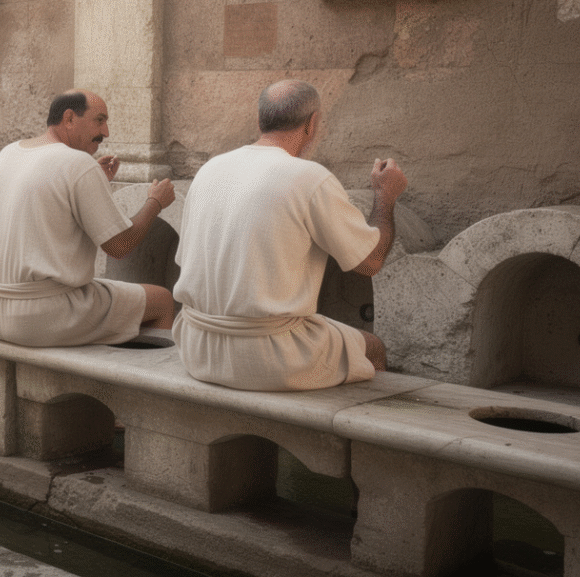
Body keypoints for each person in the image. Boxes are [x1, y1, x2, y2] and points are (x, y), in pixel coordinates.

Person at [172, 79, 407, 391]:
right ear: (312, 124)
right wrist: (385, 196)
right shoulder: (310, 178)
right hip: (271, 358)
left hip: (195, 346)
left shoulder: (208, 170)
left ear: (259, 121)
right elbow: (370, 262)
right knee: (372, 347)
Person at [0, 90, 176, 346]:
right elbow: (120, 246)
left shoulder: (9, 152)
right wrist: (155, 202)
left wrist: (94, 181)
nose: (106, 132)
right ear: (69, 119)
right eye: (99, 120)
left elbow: (49, 197)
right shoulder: (78, 163)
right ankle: (137, 384)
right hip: (44, 315)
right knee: (162, 300)